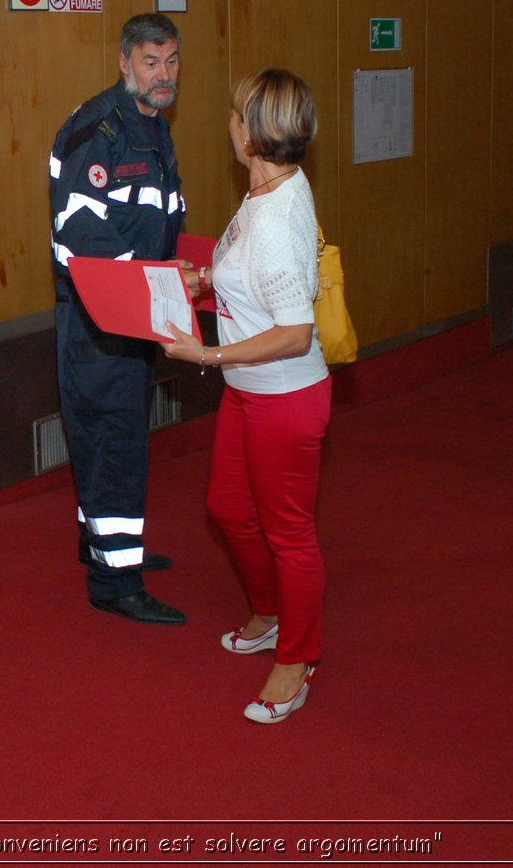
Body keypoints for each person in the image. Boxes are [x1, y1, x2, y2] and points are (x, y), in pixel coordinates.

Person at [160, 69, 330, 724]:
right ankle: (268, 614)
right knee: (229, 507)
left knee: (290, 533)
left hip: (284, 397)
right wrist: (205, 280)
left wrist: (208, 353)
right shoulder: (263, 190)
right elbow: (251, 276)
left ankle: (297, 659)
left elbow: (293, 333)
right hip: (247, 391)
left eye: (235, 114)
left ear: (252, 132)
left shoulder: (277, 221)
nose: (228, 122)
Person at [49, 12, 196, 626]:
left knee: (113, 437)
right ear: (124, 62)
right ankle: (116, 582)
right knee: (114, 444)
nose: (164, 75)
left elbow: (166, 214)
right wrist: (155, 283)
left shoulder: (152, 125)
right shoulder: (97, 129)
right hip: (101, 324)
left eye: (171, 62)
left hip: (137, 317)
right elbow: (81, 237)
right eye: (150, 62)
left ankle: (103, 547)